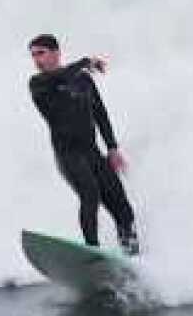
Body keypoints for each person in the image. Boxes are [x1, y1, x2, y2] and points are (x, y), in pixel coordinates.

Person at [27, 34, 139, 255]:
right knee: (90, 193)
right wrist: (86, 61)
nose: (36, 60)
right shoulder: (38, 83)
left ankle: (131, 258)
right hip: (68, 155)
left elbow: (100, 114)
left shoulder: (84, 80)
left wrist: (113, 148)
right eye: (33, 55)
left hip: (93, 153)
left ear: (56, 52)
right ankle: (91, 253)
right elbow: (62, 75)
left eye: (41, 53)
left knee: (123, 209)